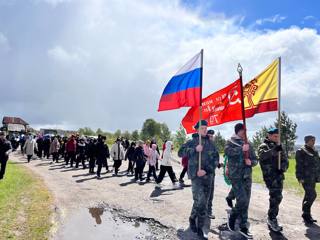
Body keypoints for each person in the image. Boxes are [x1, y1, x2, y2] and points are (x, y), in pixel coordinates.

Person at [178, 120, 219, 240]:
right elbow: (180, 153)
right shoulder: (191, 142)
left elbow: (216, 159)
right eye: (202, 128)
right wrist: (194, 150)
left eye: (206, 128)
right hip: (196, 176)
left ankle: (192, 218)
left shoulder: (211, 144)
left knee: (203, 202)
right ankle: (200, 227)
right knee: (200, 201)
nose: (205, 130)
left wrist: (206, 170)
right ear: (197, 129)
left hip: (208, 176)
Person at [225, 123, 257, 239]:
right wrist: (240, 149)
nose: (245, 133)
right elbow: (228, 152)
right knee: (242, 200)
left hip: (247, 177)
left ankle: (244, 227)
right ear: (238, 131)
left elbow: (255, 160)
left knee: (246, 202)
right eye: (243, 131)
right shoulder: (230, 142)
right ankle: (233, 216)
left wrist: (251, 162)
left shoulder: (249, 143)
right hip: (236, 176)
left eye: (246, 131)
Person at [258, 128, 289, 232]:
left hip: (279, 176)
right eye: (275, 136)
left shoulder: (280, 146)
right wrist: (274, 150)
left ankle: (272, 216)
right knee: (275, 197)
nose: (277, 138)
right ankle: (272, 219)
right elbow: (262, 156)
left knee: (278, 197)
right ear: (269, 135)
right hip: (270, 177)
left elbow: (285, 161)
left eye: (278, 136)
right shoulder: (264, 146)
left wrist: (283, 167)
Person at [296, 135, 320, 224]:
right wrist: (300, 177)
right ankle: (305, 213)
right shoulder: (301, 151)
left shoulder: (314, 151)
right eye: (312, 140)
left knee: (308, 195)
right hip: (305, 178)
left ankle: (307, 214)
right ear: (307, 141)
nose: (314, 142)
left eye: (314, 140)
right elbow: (299, 166)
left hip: (313, 177)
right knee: (312, 195)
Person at [207, 129, 222, 220]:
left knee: (210, 193)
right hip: (203, 175)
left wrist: (219, 165)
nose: (211, 138)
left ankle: (208, 211)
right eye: (209, 136)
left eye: (212, 136)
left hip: (211, 174)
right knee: (202, 194)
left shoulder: (214, 147)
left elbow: (215, 160)